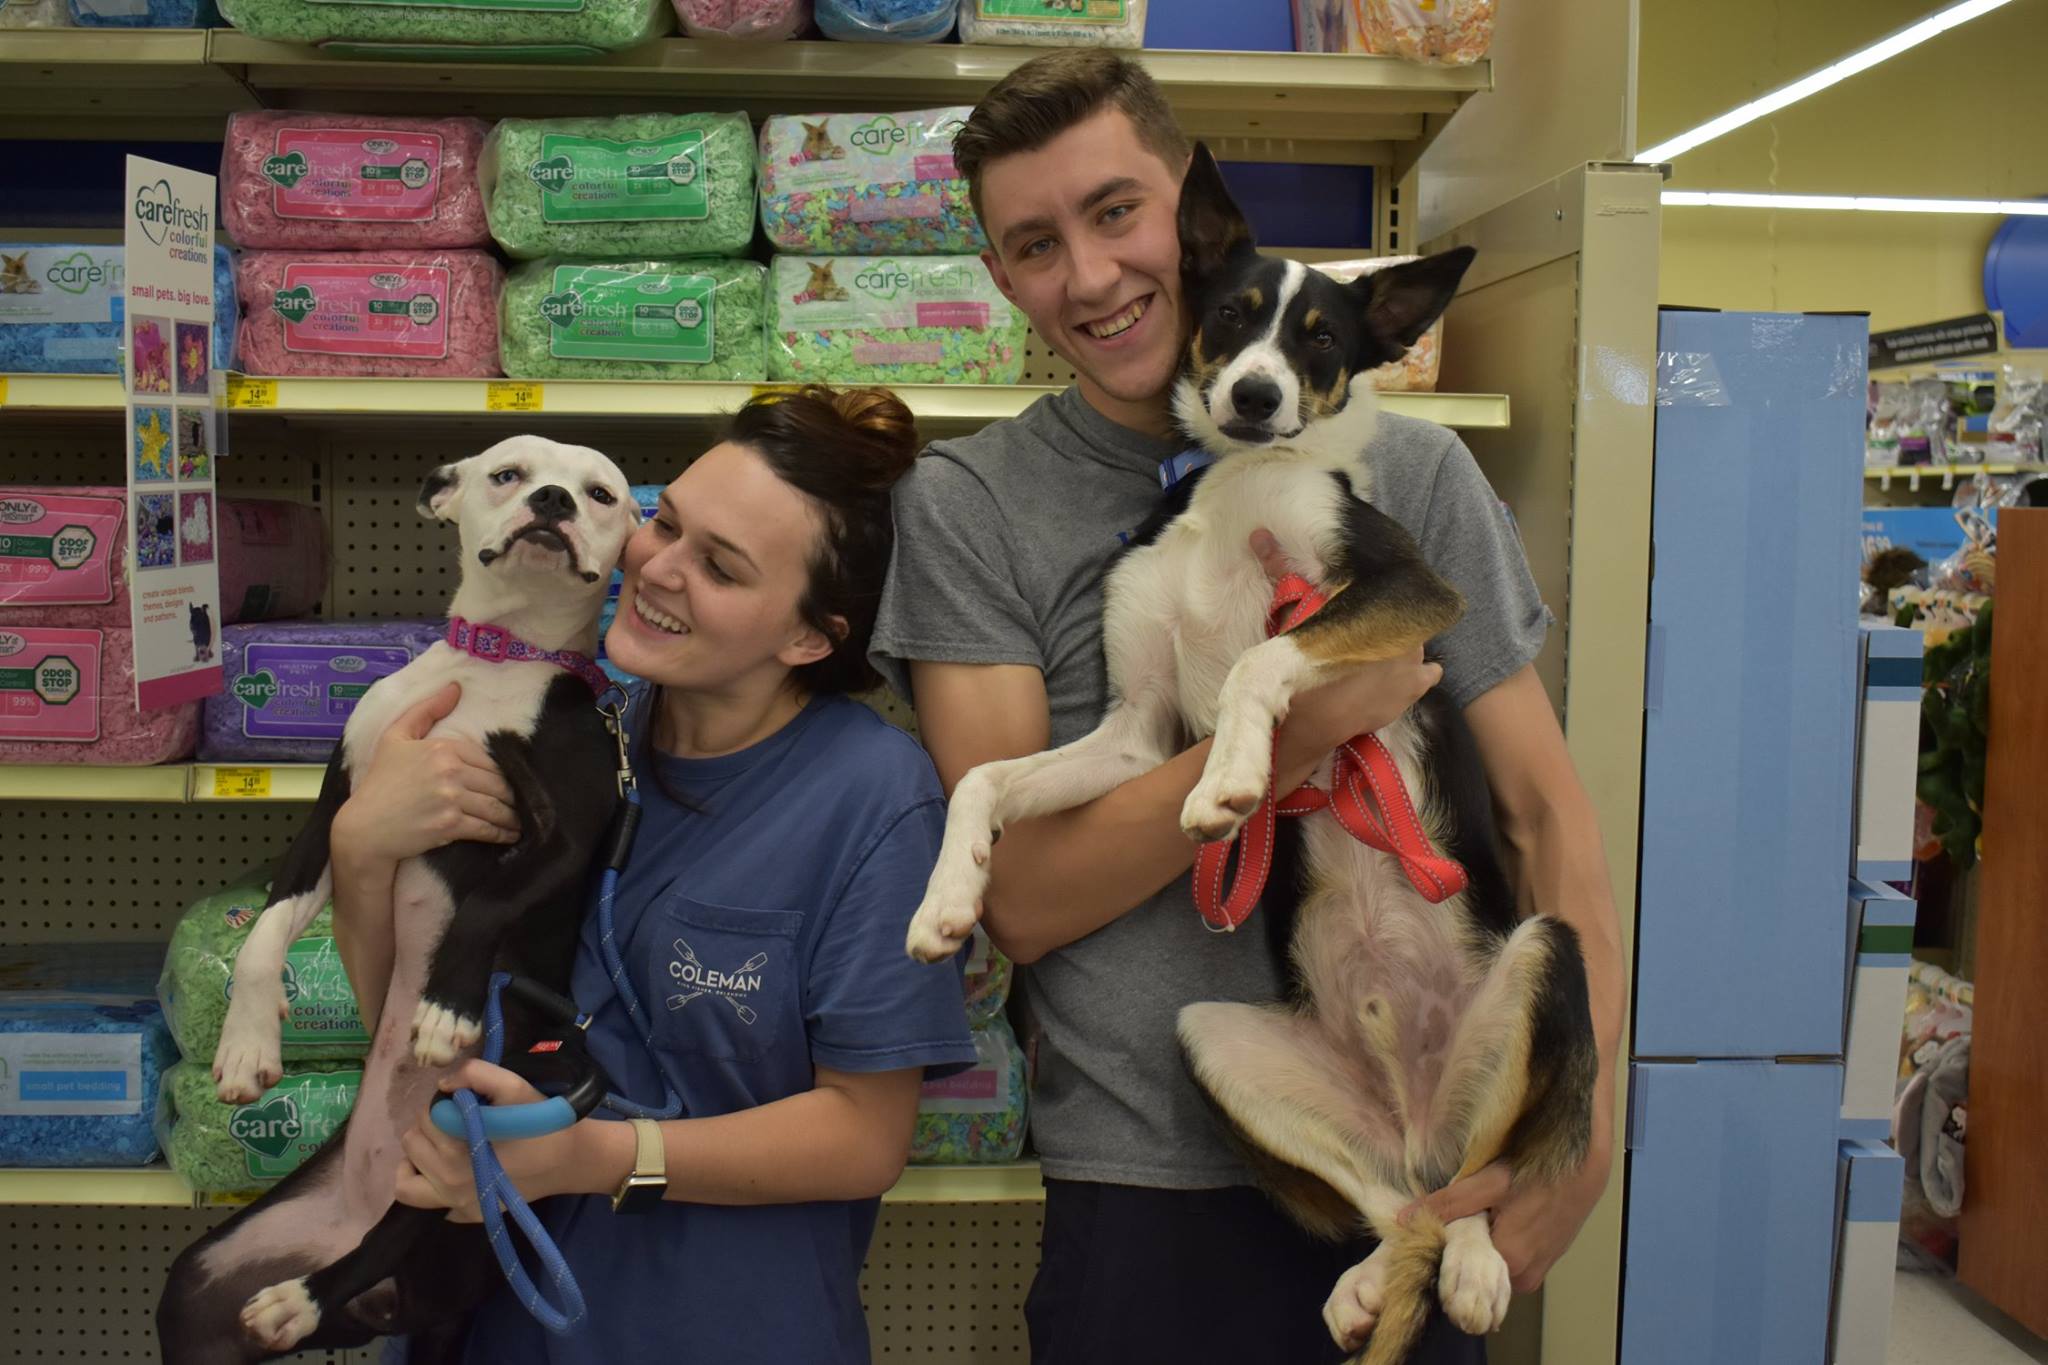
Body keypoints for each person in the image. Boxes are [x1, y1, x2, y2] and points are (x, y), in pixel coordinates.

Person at [868, 49, 1625, 1365]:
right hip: (1149, 1177)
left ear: (1193, 212)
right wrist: (1301, 724)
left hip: (1441, 1146)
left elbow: (1543, 812)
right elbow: (1024, 900)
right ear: (998, 277)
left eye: (1115, 212)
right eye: (1036, 245)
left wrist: (1582, 1130)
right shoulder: (969, 505)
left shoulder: (1411, 470)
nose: (1089, 277)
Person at [326, 386, 978, 1364]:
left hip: (713, 1329)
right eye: (664, 522)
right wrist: (360, 850)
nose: (657, 568)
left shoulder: (874, 799)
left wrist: (593, 1157)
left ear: (808, 635)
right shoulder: (566, 729)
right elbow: (405, 1012)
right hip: (480, 1318)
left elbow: (863, 1137)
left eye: (719, 567)